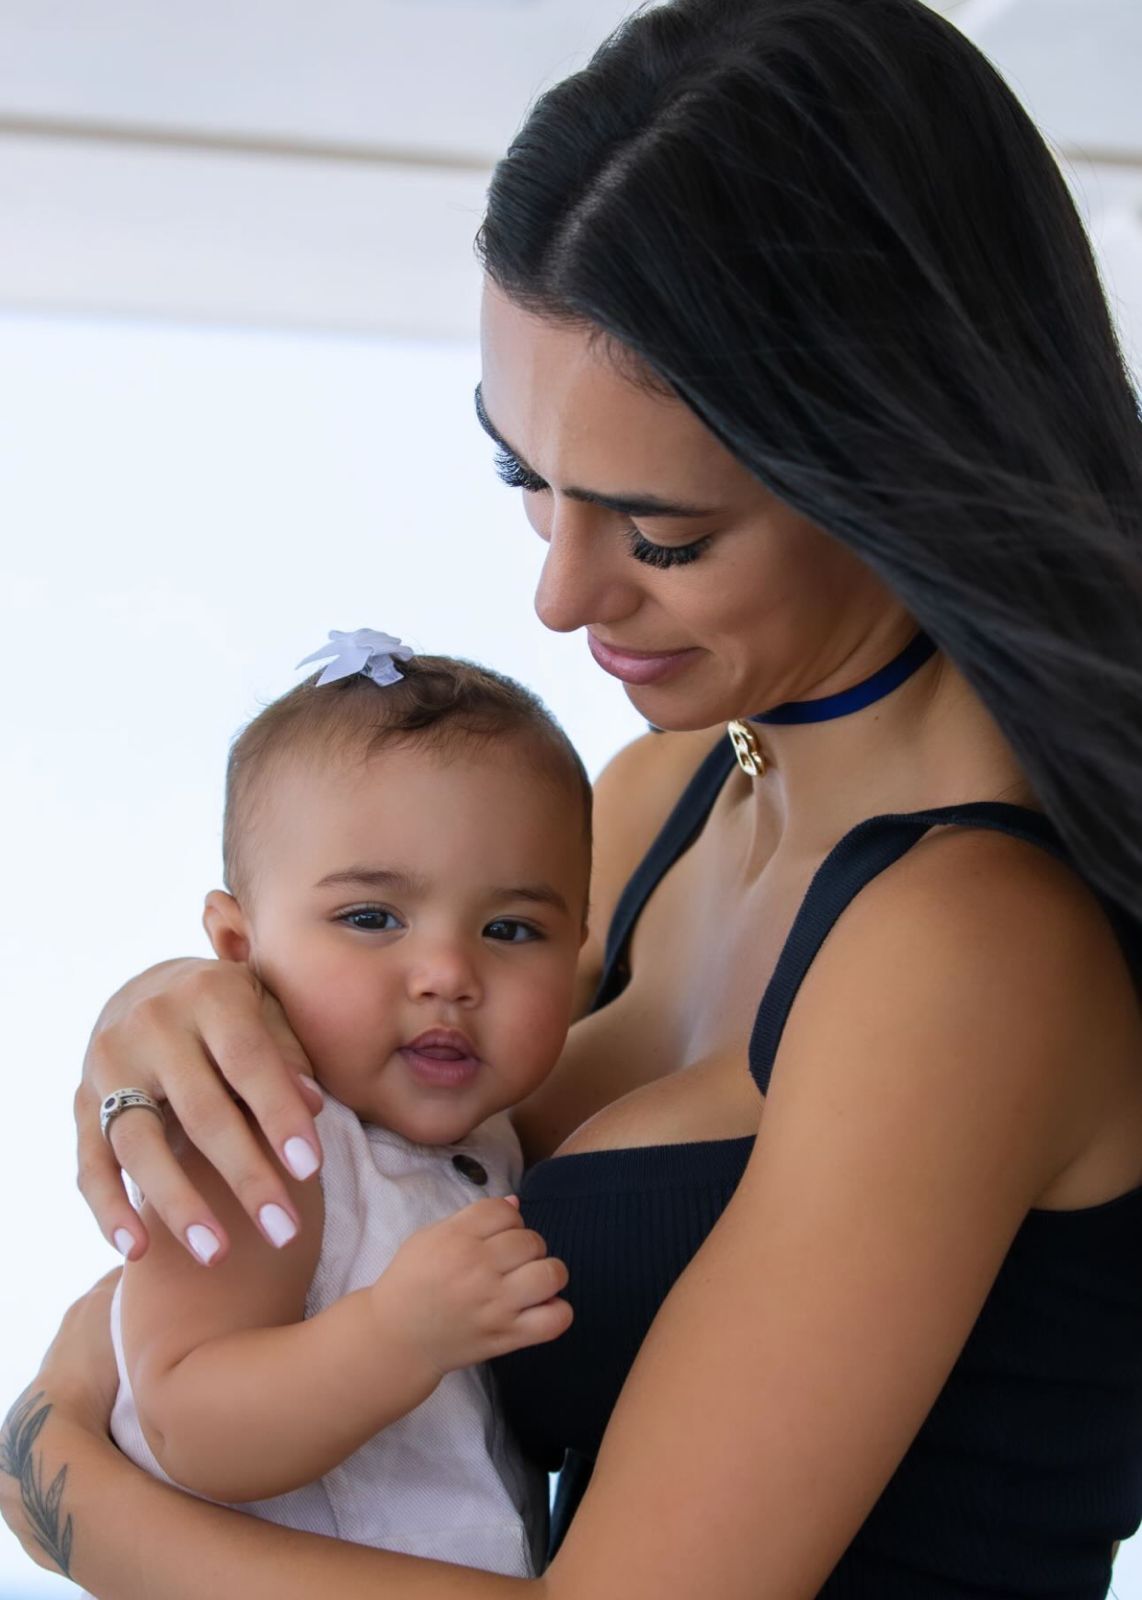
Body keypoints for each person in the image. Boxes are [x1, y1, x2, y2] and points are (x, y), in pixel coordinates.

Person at [4, 0, 1142, 1594]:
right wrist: (193, 1017)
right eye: (520, 474)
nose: (557, 594)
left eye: (659, 534)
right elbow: (316, 1242)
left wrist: (63, 1477)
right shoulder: (661, 791)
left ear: (894, 460)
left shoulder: (964, 947)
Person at [94, 636, 589, 1578]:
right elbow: (182, 1421)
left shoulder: (494, 1143)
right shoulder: (262, 1139)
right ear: (239, 945)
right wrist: (393, 1336)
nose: (447, 974)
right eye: (372, 918)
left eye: (511, 929)